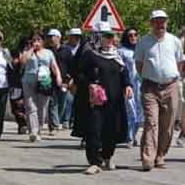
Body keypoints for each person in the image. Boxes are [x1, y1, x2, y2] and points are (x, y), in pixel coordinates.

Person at [78, 23, 133, 175]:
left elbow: (124, 73)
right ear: (98, 37)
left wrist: (128, 86)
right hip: (96, 101)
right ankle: (94, 162)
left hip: (115, 100)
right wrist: (90, 84)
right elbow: (80, 73)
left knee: (111, 130)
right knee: (94, 130)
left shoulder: (117, 56)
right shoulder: (91, 55)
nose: (109, 39)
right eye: (106, 36)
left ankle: (107, 157)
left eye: (111, 36)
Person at [134, 9, 184, 171]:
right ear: (151, 23)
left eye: (162, 21)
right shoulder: (143, 42)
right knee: (151, 122)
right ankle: (148, 158)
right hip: (150, 87)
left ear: (166, 23)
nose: (160, 24)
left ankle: (160, 155)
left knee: (168, 124)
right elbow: (138, 64)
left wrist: (171, 78)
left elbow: (180, 63)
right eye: (156, 21)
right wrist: (149, 76)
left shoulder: (174, 41)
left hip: (170, 86)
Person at [21, 32, 63, 143]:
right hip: (29, 81)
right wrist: (32, 49)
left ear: (43, 41)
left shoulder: (48, 53)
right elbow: (23, 61)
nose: (36, 42)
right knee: (30, 106)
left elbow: (54, 66)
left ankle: (38, 130)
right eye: (34, 40)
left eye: (38, 39)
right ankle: (33, 132)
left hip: (44, 81)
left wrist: (58, 76)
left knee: (42, 107)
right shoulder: (28, 51)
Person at [118, 27, 143, 146]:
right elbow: (120, 69)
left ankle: (134, 134)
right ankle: (130, 137)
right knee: (130, 110)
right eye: (130, 35)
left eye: (135, 34)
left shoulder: (142, 50)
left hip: (141, 85)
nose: (133, 37)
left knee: (140, 111)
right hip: (128, 85)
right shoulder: (122, 51)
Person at [57, 28, 82, 128]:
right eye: (75, 36)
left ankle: (73, 120)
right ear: (70, 37)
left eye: (78, 37)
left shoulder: (82, 48)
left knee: (76, 100)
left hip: (79, 77)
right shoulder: (64, 48)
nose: (77, 39)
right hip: (67, 77)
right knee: (68, 99)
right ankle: (65, 120)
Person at [45, 28, 64, 135]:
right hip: (50, 81)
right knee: (52, 103)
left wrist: (69, 79)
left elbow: (72, 66)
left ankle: (59, 121)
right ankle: (54, 126)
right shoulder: (47, 51)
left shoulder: (66, 51)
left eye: (52, 36)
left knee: (62, 103)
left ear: (58, 37)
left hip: (64, 82)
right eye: (49, 37)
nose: (50, 39)